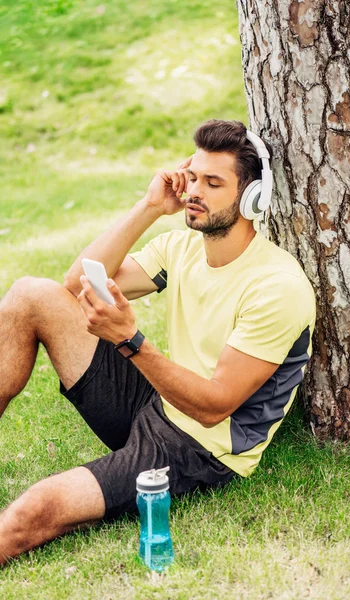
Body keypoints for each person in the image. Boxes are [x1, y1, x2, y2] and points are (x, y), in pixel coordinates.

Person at [0, 119, 315, 564]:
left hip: (202, 447)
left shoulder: (276, 287)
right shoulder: (182, 249)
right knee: (31, 294)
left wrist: (131, 340)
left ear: (252, 198)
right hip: (158, 403)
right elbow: (76, 282)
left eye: (213, 183)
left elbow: (214, 406)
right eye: (194, 177)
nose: (193, 192)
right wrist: (150, 207)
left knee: (35, 509)